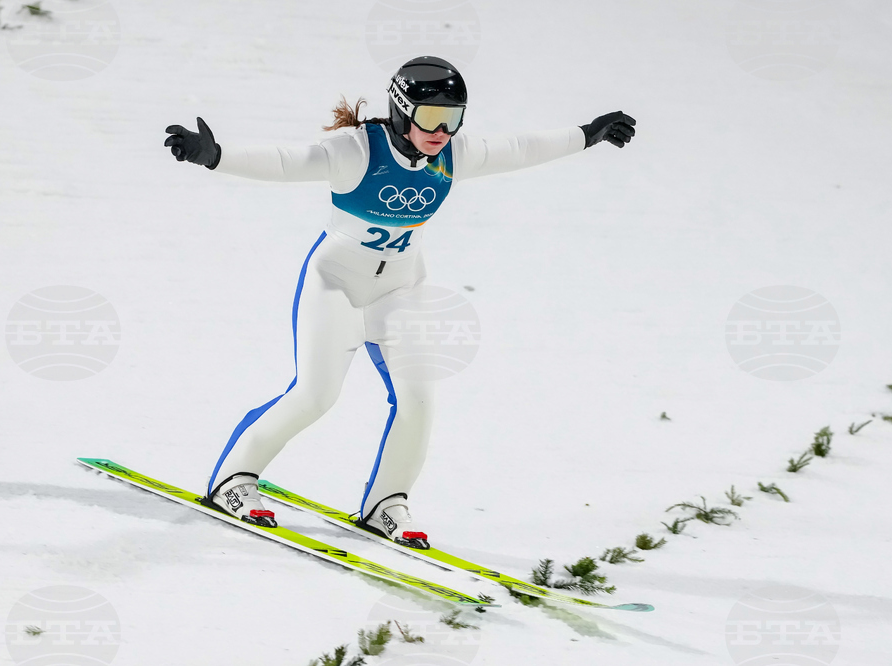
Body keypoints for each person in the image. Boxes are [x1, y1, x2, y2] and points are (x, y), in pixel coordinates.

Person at [164, 55, 636, 549]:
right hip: (335, 286)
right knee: (315, 396)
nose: (442, 132)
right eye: (431, 118)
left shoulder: (453, 154)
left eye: (453, 119)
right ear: (401, 110)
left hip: (400, 291)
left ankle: (387, 502)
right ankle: (235, 479)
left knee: (418, 402)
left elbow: (520, 149)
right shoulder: (355, 151)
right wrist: (215, 156)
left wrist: (589, 134)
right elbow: (286, 162)